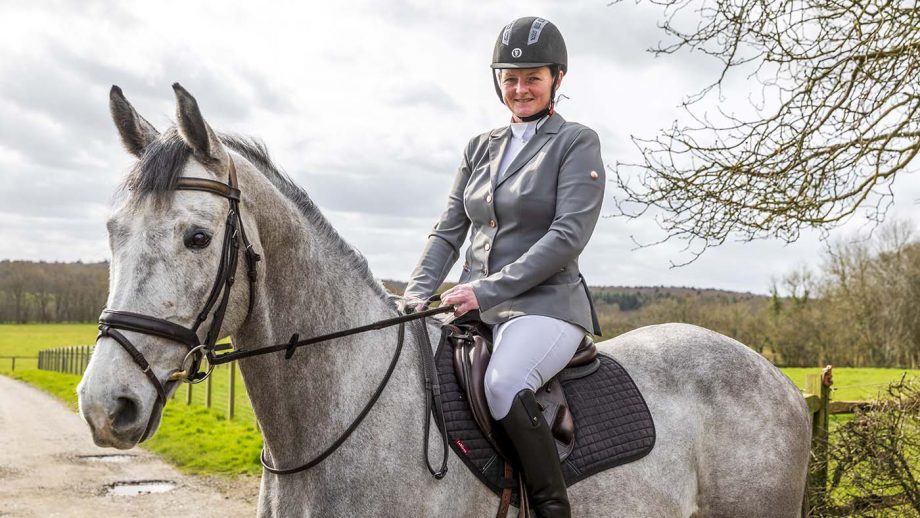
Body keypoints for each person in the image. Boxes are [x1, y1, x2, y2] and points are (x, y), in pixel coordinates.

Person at [401, 16, 604, 518]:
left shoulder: (576, 142)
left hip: (545, 305)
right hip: (477, 305)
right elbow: (449, 230)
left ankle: (553, 507)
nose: (520, 89)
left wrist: (486, 290)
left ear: (557, 77)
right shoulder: (479, 147)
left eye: (532, 77)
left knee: (503, 383)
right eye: (509, 79)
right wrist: (414, 295)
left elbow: (567, 237)